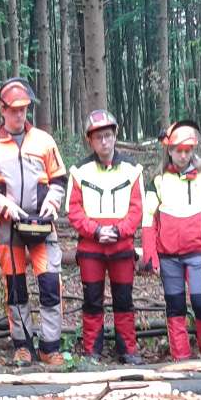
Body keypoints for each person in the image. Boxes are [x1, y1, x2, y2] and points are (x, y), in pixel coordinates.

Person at [0, 77, 69, 366]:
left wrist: (52, 202)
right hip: (9, 225)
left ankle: (50, 346)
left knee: (50, 283)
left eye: (23, 109)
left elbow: (58, 179)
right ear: (2, 109)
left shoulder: (43, 140)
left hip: (42, 223)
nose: (19, 115)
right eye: (13, 109)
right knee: (15, 286)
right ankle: (23, 344)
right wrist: (5, 206)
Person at [140, 120, 201, 360]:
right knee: (175, 306)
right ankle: (181, 357)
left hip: (198, 251)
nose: (183, 155)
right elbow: (148, 219)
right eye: (179, 150)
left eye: (188, 150)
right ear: (169, 150)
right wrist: (150, 255)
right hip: (168, 255)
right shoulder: (157, 181)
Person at [65, 110, 145, 365]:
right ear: (90, 140)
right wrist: (96, 230)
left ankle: (128, 350)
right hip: (91, 247)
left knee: (124, 299)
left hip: (122, 246)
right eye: (98, 137)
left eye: (108, 136)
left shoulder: (133, 169)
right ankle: (92, 351)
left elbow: (138, 208)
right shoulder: (79, 171)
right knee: (92, 299)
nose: (104, 142)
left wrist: (120, 230)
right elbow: (73, 209)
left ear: (115, 136)